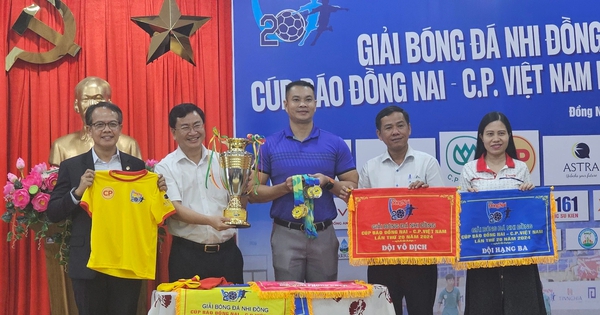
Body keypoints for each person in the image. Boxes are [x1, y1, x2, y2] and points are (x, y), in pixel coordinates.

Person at [47, 102, 167, 315]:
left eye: (112, 124)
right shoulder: (72, 166)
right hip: (88, 261)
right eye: (100, 124)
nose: (107, 130)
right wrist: (78, 191)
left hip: (126, 261)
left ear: (120, 128)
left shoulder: (136, 166)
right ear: (89, 129)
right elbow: (53, 212)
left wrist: (158, 189)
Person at [249, 80, 358, 282]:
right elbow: (252, 193)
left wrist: (328, 182)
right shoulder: (269, 145)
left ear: (315, 104)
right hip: (285, 234)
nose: (302, 105)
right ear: (285, 104)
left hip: (323, 234)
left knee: (324, 302)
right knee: (289, 300)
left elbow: (352, 189)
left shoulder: (335, 143)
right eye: (296, 100)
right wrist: (283, 188)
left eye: (308, 100)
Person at [341, 105, 444, 315]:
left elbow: (441, 208)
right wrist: (351, 202)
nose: (395, 131)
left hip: (420, 257)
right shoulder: (370, 168)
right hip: (383, 259)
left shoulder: (428, 163)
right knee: (384, 311)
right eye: (388, 128)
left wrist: (425, 196)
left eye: (400, 125)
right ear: (379, 135)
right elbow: (365, 214)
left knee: (422, 310)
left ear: (409, 129)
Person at [458, 111, 546, 315]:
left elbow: (528, 212)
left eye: (501, 133)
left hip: (517, 248)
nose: (496, 139)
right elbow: (460, 215)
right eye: (490, 134)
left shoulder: (521, 168)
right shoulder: (469, 170)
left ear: (509, 136)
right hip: (482, 250)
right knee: (483, 302)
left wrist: (528, 195)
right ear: (481, 137)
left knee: (521, 301)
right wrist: (466, 200)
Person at [154, 103, 244, 283]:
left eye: (197, 125)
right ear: (173, 132)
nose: (193, 132)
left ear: (204, 127)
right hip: (187, 256)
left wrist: (245, 188)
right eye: (185, 127)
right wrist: (210, 221)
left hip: (227, 255)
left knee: (232, 309)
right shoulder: (165, 167)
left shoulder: (222, 161)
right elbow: (174, 210)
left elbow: (238, 204)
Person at [49, 76, 141, 166]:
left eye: (98, 98)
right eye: (86, 99)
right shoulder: (61, 146)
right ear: (76, 105)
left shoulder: (129, 145)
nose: (92, 104)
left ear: (109, 103)